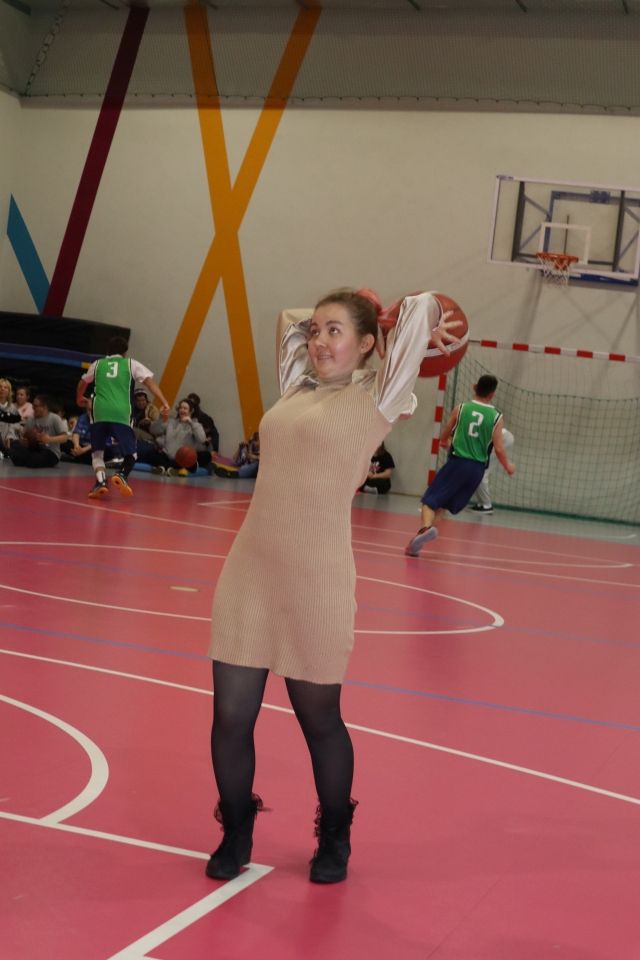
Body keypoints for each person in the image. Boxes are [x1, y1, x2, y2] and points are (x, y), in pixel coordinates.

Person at [206, 289, 461, 886]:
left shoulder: (380, 397)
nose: (318, 340)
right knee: (229, 715)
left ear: (369, 343)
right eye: (317, 331)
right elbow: (287, 321)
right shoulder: (297, 385)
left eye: (335, 332)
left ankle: (335, 834)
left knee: (319, 719)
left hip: (316, 577)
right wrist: (335, 317)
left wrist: (398, 318)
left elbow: (424, 308)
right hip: (250, 570)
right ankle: (236, 829)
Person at [406, 374, 516, 556]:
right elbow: (498, 447)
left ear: (474, 387)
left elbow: (444, 434)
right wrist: (508, 466)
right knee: (441, 506)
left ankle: (425, 529)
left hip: (458, 463)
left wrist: (444, 441)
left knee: (429, 501)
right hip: (477, 471)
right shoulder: (497, 416)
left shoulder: (461, 408)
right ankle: (419, 540)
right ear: (492, 395)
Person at [77, 336, 170, 499]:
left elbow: (83, 382)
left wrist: (79, 397)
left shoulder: (97, 364)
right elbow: (150, 383)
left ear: (108, 351)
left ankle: (101, 482)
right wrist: (164, 402)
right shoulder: (131, 364)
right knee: (131, 453)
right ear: (125, 352)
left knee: (97, 453)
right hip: (121, 413)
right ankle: (122, 474)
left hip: (99, 412)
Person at [145, 398, 211, 475]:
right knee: (150, 454)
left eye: (185, 408)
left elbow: (202, 439)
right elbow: (153, 430)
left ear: (191, 411)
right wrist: (161, 417)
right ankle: (170, 468)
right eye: (180, 408)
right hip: (167, 456)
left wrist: (190, 422)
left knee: (206, 456)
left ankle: (164, 467)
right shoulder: (171, 422)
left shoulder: (196, 425)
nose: (182, 410)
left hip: (182, 458)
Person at [8, 395, 68, 469]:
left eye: (35, 406)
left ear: (44, 407)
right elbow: (23, 436)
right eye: (33, 405)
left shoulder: (55, 418)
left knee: (35, 459)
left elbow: (64, 437)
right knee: (15, 453)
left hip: (50, 451)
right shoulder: (31, 418)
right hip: (34, 449)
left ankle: (30, 460)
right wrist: (22, 441)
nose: (33, 408)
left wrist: (49, 439)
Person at [469, 427, 515, 514]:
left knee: (481, 472)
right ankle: (482, 503)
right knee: (477, 471)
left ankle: (486, 505)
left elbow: (498, 449)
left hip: (502, 437)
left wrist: (507, 466)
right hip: (500, 438)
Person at [0, 379, 19, 457]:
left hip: (7, 439)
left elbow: (13, 425)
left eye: (5, 387)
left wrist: (9, 437)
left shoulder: (12, 408)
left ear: (9, 391)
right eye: (0, 387)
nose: (2, 389)